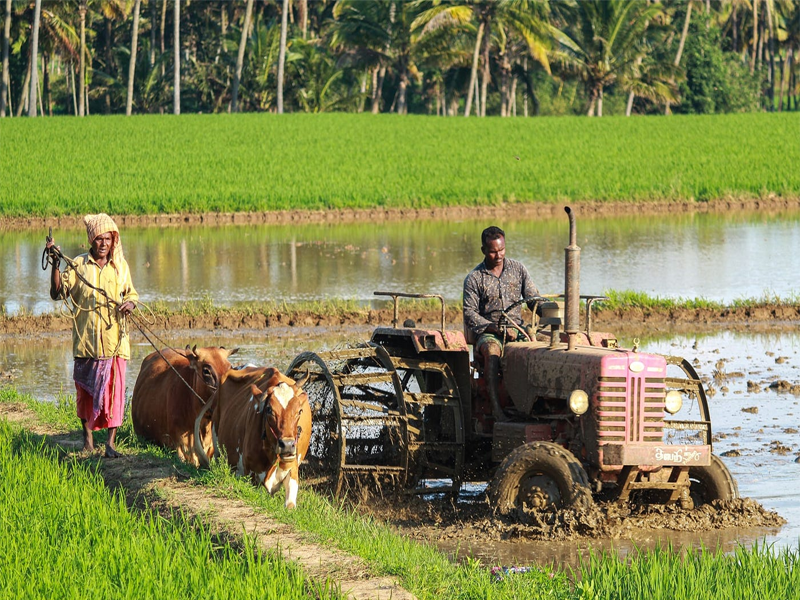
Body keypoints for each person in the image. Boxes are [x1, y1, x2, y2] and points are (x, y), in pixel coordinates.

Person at [46, 213, 138, 458]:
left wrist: (129, 304)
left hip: (115, 343)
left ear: (113, 241)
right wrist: (56, 263)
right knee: (85, 394)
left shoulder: (120, 267)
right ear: (91, 241)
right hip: (86, 344)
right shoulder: (78, 265)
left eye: (108, 239)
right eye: (99, 239)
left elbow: (132, 295)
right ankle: (87, 441)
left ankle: (110, 444)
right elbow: (57, 293)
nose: (104, 243)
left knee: (114, 394)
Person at [463, 226, 538, 422]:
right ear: (483, 251)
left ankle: (531, 407)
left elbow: (532, 298)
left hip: (517, 329)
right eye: (493, 251)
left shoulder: (518, 269)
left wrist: (547, 309)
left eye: (502, 250)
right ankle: (497, 410)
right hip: (489, 332)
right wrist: (493, 328)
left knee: (538, 351)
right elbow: (469, 313)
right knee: (492, 352)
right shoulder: (474, 278)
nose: (498, 255)